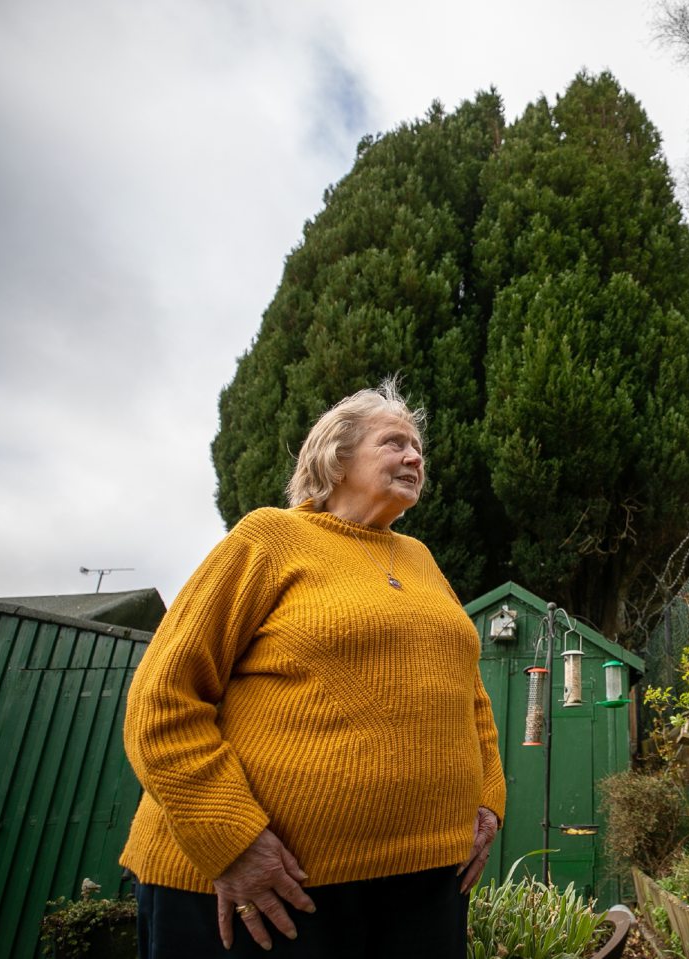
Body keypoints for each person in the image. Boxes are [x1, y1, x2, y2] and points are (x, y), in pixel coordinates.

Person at [121, 379, 506, 957]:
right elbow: (163, 698)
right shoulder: (270, 538)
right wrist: (230, 840)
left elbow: (467, 693)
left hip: (423, 881)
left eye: (418, 448)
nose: (414, 457)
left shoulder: (420, 559)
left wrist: (487, 799)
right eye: (394, 443)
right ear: (336, 455)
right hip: (272, 889)